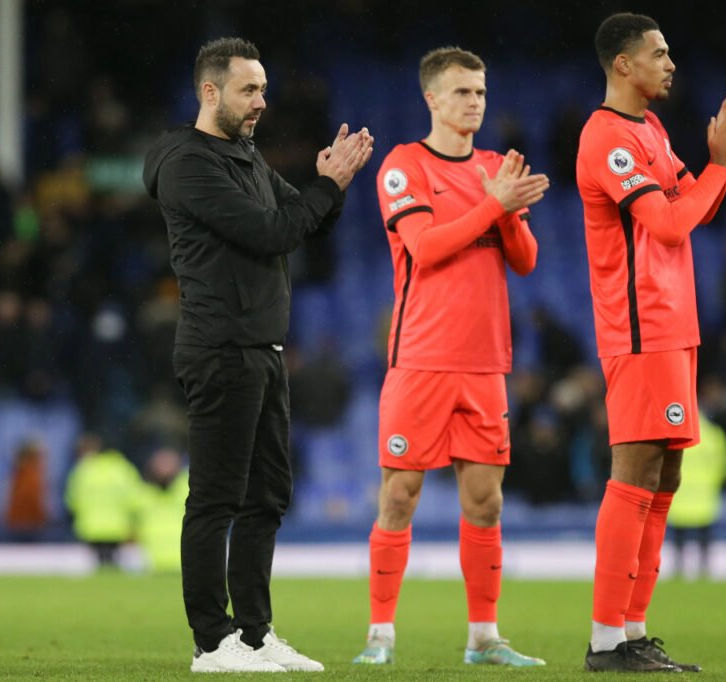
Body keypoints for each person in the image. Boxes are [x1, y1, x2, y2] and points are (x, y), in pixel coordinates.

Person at [142, 36, 373, 674]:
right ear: (209, 90)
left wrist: (331, 184)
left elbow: (301, 215)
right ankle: (211, 642)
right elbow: (273, 230)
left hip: (263, 351)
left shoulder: (241, 156)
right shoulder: (190, 164)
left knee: (267, 494)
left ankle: (253, 633)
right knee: (215, 498)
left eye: (264, 90)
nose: (261, 103)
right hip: (220, 349)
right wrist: (322, 189)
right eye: (249, 90)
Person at [353, 46, 550, 668]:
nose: (475, 103)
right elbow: (425, 246)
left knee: (486, 501)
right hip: (421, 358)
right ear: (431, 99)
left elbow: (524, 261)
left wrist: (510, 212)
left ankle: (484, 637)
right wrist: (494, 204)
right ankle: (380, 635)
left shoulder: (496, 166)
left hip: (484, 361)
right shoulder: (403, 165)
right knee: (401, 494)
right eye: (462, 92)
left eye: (482, 93)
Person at [575, 13, 726, 673]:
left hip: (675, 325)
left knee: (668, 475)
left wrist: (718, 169)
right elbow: (671, 222)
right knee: (636, 474)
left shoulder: (650, 129)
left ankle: (631, 631)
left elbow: (692, 201)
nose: (670, 62)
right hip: (639, 327)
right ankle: (605, 642)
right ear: (623, 64)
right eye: (658, 52)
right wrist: (720, 165)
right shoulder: (607, 139)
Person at [667, 412, 726, 579]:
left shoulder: (676, 435)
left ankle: (678, 568)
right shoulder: (714, 435)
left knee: (679, 536)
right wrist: (712, 482)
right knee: (704, 536)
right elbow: (723, 464)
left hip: (680, 492)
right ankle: (704, 569)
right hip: (704, 493)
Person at [64, 445, 142, 567]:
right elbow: (135, 499)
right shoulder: (123, 468)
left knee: (97, 564)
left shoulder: (85, 468)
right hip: (118, 526)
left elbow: (72, 499)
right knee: (113, 562)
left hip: (90, 525)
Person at [134, 447, 190, 573]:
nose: (165, 468)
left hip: (184, 562)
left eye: (168, 463)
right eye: (161, 464)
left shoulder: (189, 488)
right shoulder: (141, 492)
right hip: (148, 564)